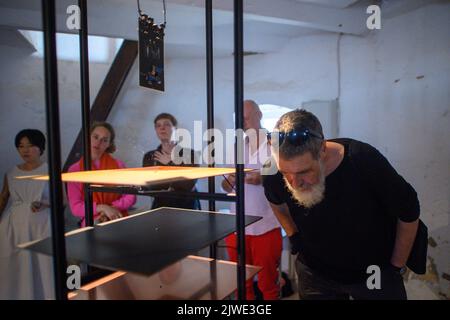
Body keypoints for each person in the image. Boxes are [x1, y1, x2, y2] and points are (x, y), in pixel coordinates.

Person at [262, 109, 420, 300]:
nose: (295, 183)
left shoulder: (362, 160)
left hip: (373, 271)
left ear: (322, 149)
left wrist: (395, 266)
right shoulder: (271, 169)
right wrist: (295, 236)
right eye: (286, 172)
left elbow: (409, 211)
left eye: (304, 172)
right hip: (315, 273)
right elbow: (276, 202)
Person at [221, 100, 282, 300]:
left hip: (266, 225)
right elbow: (225, 187)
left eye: (246, 117)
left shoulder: (276, 145)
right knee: (240, 284)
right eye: (240, 119)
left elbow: (288, 180)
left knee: (268, 285)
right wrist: (229, 180)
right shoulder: (236, 146)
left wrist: (264, 179)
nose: (243, 122)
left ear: (260, 115)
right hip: (236, 226)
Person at [0, 129, 54, 299]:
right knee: (14, 269)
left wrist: (44, 204)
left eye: (30, 146)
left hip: (42, 227)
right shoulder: (11, 173)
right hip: (13, 228)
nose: (25, 150)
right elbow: (3, 199)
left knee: (43, 267)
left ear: (40, 148)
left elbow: (63, 202)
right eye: (21, 146)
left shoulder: (50, 171)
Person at [67, 122, 136, 226]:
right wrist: (102, 208)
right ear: (88, 138)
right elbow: (76, 207)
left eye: (104, 140)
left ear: (109, 144)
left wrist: (111, 208)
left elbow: (131, 196)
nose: (98, 142)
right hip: (91, 223)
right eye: (95, 137)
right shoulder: (74, 170)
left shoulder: (118, 165)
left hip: (118, 218)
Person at [142, 113, 200, 210]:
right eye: (158, 126)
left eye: (167, 124)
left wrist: (169, 164)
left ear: (175, 129)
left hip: (186, 208)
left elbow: (187, 185)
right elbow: (151, 187)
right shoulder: (150, 156)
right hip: (160, 208)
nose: (162, 128)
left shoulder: (190, 154)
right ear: (156, 130)